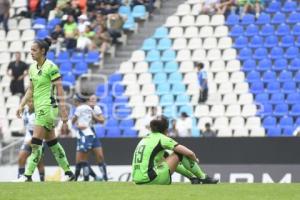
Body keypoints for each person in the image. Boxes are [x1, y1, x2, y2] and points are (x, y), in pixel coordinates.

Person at [16, 37, 74, 182]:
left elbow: (60, 90)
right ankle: (69, 174)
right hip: (40, 109)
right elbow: (30, 90)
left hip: (48, 108)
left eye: (34, 50)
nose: (31, 52)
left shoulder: (51, 67)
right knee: (53, 143)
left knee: (36, 142)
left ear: (43, 51)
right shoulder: (32, 68)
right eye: (30, 50)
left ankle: (27, 175)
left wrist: (63, 112)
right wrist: (21, 105)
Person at [132, 116, 218, 185]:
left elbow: (168, 160)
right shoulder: (162, 138)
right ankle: (203, 177)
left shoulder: (145, 138)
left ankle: (192, 177)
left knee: (167, 155)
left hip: (137, 180)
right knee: (179, 153)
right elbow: (189, 153)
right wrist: (195, 159)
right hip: (151, 179)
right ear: (166, 129)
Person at [18, 99, 45, 182]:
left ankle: (42, 180)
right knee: (21, 158)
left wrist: (34, 138)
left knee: (39, 163)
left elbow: (42, 129)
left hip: (38, 138)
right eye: (29, 101)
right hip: (28, 138)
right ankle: (21, 178)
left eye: (32, 101)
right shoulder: (25, 110)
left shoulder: (39, 113)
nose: (30, 103)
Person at [88, 94, 108, 181]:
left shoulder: (96, 108)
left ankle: (105, 178)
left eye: (95, 100)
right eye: (91, 99)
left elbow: (102, 120)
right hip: (84, 133)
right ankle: (94, 177)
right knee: (83, 160)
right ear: (88, 100)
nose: (93, 101)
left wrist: (94, 116)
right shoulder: (83, 108)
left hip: (92, 132)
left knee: (100, 156)